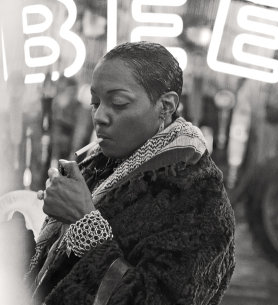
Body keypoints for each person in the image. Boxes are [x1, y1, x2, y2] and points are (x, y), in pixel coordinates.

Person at [25, 41, 235, 305]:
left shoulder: (198, 196)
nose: (99, 116)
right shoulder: (100, 165)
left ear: (166, 106)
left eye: (118, 103)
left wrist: (83, 222)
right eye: (95, 102)